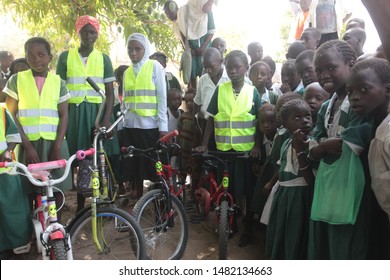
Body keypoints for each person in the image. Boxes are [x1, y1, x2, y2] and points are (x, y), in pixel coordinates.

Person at [308, 39, 374, 259]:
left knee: (348, 241)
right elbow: (315, 140)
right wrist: (319, 147)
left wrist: (322, 146)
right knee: (326, 238)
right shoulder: (327, 106)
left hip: (353, 185)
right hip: (329, 184)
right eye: (319, 70)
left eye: (331, 68)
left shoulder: (360, 102)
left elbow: (348, 141)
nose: (324, 75)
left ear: (350, 64)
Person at [195, 49, 262, 241]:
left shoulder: (252, 92)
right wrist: (205, 145)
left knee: (247, 191)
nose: (233, 71)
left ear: (246, 69)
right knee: (227, 189)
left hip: (246, 153)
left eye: (237, 67)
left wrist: (257, 146)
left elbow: (258, 122)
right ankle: (228, 224)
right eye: (230, 67)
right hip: (224, 152)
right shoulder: (221, 90)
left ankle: (247, 226)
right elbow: (211, 120)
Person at [4, 37, 71, 222]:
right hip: (29, 144)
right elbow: (11, 115)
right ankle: (36, 231)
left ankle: (57, 228)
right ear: (26, 57)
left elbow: (64, 115)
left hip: (55, 143)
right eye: (31, 55)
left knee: (57, 188)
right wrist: (27, 145)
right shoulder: (16, 80)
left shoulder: (59, 82)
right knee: (31, 189)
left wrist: (57, 147)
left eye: (41, 55)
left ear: (50, 57)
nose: (36, 59)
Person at [56, 15, 118, 212]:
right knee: (79, 157)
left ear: (97, 35)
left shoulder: (104, 58)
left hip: (97, 113)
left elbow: (110, 93)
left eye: (93, 32)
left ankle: (102, 202)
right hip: (73, 114)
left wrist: (106, 119)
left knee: (99, 158)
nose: (89, 35)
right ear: (79, 32)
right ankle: (82, 205)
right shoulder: (66, 57)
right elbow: (59, 89)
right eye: (85, 31)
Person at [347, 58, 390, 259]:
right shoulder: (367, 124)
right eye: (350, 92)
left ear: (387, 90)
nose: (354, 97)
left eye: (363, 90)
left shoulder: (386, 133)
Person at [266, 99, 315, 259]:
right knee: (280, 230)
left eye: (308, 116)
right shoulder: (286, 143)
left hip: (301, 198)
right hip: (284, 196)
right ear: (285, 123)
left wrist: (300, 151)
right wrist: (271, 183)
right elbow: (282, 167)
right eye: (297, 117)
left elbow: (311, 181)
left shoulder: (313, 145)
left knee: (296, 234)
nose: (304, 121)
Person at [121, 32, 168, 199]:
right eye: (130, 49)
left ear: (145, 49)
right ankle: (139, 198)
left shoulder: (155, 66)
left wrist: (163, 126)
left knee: (153, 167)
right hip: (131, 125)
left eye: (137, 49)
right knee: (135, 167)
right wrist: (121, 124)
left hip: (149, 126)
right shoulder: (127, 72)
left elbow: (162, 98)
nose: (133, 53)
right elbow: (125, 100)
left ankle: (159, 201)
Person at [0, 106, 32, 259]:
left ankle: (16, 247)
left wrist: (7, 152)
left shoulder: (2, 111)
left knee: (12, 211)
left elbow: (13, 136)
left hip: (5, 172)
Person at [164, 0, 216, 89]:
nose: (168, 16)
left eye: (169, 13)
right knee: (192, 78)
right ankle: (192, 99)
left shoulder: (204, 12)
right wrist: (188, 49)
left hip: (205, 50)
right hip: (192, 53)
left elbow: (211, 30)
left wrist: (203, 47)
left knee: (207, 78)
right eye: (166, 14)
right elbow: (183, 35)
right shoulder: (181, 18)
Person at [194, 47, 229, 147]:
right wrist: (194, 122)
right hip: (207, 127)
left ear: (221, 61)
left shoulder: (230, 79)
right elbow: (197, 102)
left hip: (226, 127)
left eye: (211, 66)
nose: (208, 70)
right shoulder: (203, 80)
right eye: (205, 67)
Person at [177, 89, 202, 175]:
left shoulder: (199, 117)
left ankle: (194, 187)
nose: (188, 104)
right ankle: (182, 186)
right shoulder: (183, 116)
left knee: (194, 168)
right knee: (182, 167)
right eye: (187, 101)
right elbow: (179, 131)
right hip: (183, 146)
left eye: (191, 101)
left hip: (194, 147)